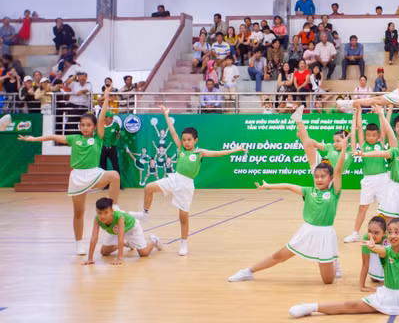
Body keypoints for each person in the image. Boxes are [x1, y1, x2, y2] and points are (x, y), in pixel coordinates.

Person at [18, 87, 123, 255]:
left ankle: (114, 207)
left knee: (114, 175)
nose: (85, 128)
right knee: (79, 212)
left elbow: (102, 116)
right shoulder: (74, 138)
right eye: (82, 125)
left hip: (94, 174)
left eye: (88, 125)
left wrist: (106, 97)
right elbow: (52, 136)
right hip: (77, 177)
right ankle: (79, 244)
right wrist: (34, 139)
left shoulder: (98, 138)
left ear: (94, 127)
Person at [229, 149, 347, 284]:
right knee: (279, 255)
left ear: (331, 178)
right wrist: (268, 186)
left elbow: (338, 169)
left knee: (328, 281)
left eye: (323, 176)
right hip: (307, 231)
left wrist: (344, 147)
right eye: (316, 176)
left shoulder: (334, 193)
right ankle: (248, 272)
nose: (319, 179)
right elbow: (289, 186)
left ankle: (334, 260)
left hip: (326, 234)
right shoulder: (308, 191)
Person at [142, 106, 245, 255]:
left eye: (189, 140)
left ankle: (184, 243)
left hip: (186, 185)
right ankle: (145, 213)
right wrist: (165, 114)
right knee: (148, 187)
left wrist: (237, 149)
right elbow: (172, 132)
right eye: (184, 140)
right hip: (174, 179)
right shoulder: (181, 149)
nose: (186, 142)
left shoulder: (199, 152)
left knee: (183, 216)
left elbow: (218, 153)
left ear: (195, 140)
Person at [343, 108, 395, 244]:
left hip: (382, 179)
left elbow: (383, 126)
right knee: (362, 207)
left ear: (378, 136)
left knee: (385, 208)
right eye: (368, 135)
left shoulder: (381, 143)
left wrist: (382, 112)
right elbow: (359, 128)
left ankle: (387, 234)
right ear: (365, 136)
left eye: (374, 135)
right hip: (368, 180)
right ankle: (355, 233)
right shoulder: (363, 145)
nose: (371, 138)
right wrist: (358, 112)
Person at [82, 197, 162, 266]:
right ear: (96, 212)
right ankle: (126, 243)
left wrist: (119, 259)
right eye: (100, 213)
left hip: (132, 228)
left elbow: (120, 237)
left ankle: (154, 240)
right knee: (104, 252)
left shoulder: (119, 217)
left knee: (144, 253)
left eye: (106, 212)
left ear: (112, 211)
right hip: (115, 231)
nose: (103, 216)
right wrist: (90, 259)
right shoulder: (97, 219)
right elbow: (94, 238)